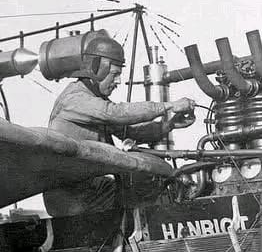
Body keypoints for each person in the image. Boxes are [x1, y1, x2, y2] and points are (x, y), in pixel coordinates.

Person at [43, 35, 196, 217]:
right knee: (146, 190)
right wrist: (168, 106)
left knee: (154, 184)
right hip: (70, 197)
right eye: (114, 74)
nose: (117, 82)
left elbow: (130, 132)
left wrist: (169, 125)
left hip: (90, 189)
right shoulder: (75, 99)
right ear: (97, 69)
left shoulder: (94, 103)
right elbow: (115, 112)